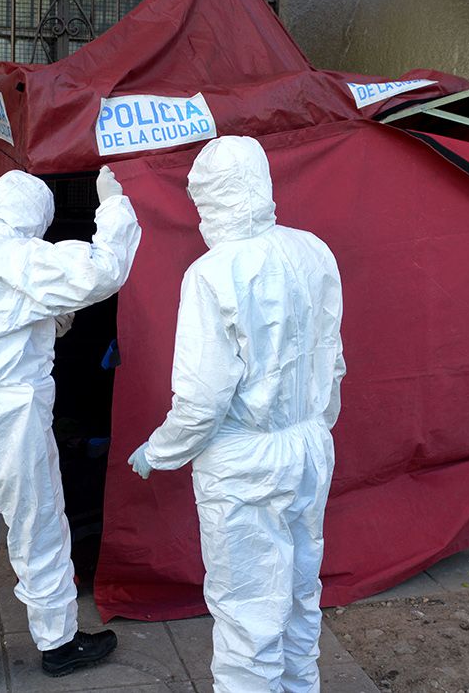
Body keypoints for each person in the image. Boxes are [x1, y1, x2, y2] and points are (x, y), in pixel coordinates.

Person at [128, 136, 345, 692]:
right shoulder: (313, 250)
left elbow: (202, 401)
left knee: (248, 609)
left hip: (244, 460)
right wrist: (317, 424)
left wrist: (161, 449)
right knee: (299, 593)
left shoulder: (212, 273)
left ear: (209, 200)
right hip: (307, 446)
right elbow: (331, 357)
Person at [0, 167, 141, 692]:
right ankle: (59, 643)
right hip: (2, 415)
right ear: (35, 217)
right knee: (37, 526)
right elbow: (104, 270)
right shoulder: (17, 255)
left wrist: (45, 319)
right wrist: (114, 205)